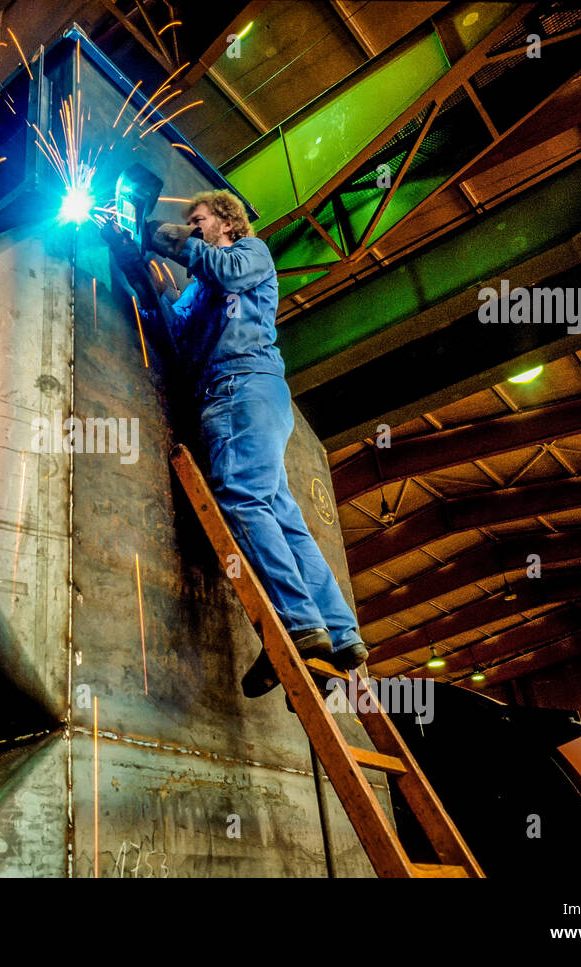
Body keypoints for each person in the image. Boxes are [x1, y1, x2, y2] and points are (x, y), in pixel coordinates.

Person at [103, 189, 368, 700]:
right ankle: (338, 631)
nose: (196, 228)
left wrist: (162, 234)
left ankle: (297, 624)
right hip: (240, 395)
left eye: (200, 220)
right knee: (279, 512)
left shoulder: (249, 254)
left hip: (242, 387)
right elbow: (176, 336)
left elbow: (219, 269)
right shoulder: (199, 287)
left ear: (227, 221)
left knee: (242, 497)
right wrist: (136, 264)